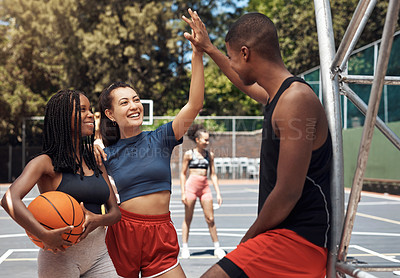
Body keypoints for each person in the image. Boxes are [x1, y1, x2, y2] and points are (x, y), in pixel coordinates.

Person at [182, 10, 332, 278]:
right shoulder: (280, 96)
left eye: (231, 57)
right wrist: (210, 50)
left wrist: (249, 237)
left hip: (299, 238)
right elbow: (241, 81)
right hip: (284, 233)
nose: (232, 63)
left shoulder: (296, 100)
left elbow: (288, 192)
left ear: (245, 53)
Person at [93, 12, 204, 277]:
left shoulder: (162, 138)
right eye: (124, 102)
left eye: (136, 99)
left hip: (160, 232)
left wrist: (198, 54)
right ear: (110, 114)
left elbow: (194, 104)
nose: (134, 105)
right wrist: (90, 149)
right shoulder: (104, 153)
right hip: (123, 235)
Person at [1, 89, 121, 277]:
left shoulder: (93, 158)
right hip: (61, 256)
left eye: (90, 109)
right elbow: (9, 199)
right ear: (64, 117)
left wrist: (98, 220)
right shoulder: (45, 163)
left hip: (99, 254)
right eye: (82, 109)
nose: (90, 114)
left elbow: (115, 213)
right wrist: (43, 234)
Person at [180, 124, 225, 259]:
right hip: (191, 188)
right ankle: (185, 247)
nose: (207, 142)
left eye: (208, 140)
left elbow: (213, 175)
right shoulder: (189, 154)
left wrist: (218, 192)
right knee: (188, 218)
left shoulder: (209, 155)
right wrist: (183, 192)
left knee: (210, 218)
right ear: (197, 140)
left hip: (205, 188)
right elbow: (182, 174)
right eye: (205, 140)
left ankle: (217, 247)